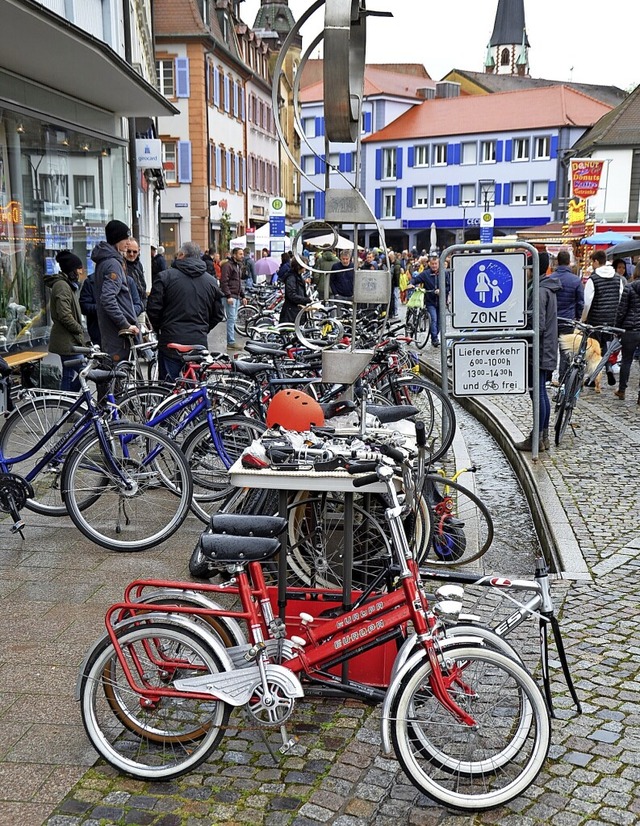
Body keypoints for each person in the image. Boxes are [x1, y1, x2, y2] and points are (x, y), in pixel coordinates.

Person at [147, 241, 225, 380]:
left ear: (182, 255)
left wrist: (162, 328)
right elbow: (218, 314)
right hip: (198, 342)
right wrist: (202, 328)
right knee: (195, 389)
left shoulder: (165, 277)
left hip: (171, 341)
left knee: (169, 391)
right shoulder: (210, 281)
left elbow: (153, 309)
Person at [515, 269, 561, 452]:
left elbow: (538, 325)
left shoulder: (540, 290)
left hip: (540, 349)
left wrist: (522, 329)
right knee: (540, 392)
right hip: (545, 348)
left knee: (538, 393)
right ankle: (543, 437)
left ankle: (536, 439)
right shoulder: (545, 287)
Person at [90, 219, 140, 363]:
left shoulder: (106, 261)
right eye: (125, 238)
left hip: (112, 332)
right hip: (118, 335)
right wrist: (125, 324)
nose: (128, 242)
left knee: (112, 376)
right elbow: (107, 299)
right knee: (117, 377)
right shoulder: (113, 264)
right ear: (117, 239)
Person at [581, 250, 625, 386]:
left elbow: (587, 301)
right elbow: (620, 298)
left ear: (596, 261)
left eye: (592, 262)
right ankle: (608, 367)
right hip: (611, 319)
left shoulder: (593, 279)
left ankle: (594, 377)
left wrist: (584, 318)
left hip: (595, 319)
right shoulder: (618, 278)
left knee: (594, 349)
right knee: (606, 347)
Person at [46, 250, 85, 392]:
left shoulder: (68, 285)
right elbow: (64, 315)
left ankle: (68, 407)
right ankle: (69, 406)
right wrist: (79, 329)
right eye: (78, 269)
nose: (80, 272)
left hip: (69, 340)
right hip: (67, 342)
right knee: (87, 372)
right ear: (71, 270)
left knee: (68, 376)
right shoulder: (62, 286)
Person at [554, 249, 584, 381]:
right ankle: (563, 378)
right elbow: (580, 302)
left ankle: (547, 377)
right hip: (568, 320)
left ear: (557, 262)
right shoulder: (576, 280)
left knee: (549, 349)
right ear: (569, 263)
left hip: (552, 319)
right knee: (565, 350)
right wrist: (577, 317)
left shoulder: (551, 279)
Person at [613, 270, 640, 403]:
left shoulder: (629, 287)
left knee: (626, 360)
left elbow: (621, 309)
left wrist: (617, 327)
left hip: (630, 330)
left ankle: (622, 390)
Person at [410, 254, 445, 347]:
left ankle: (434, 334)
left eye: (436, 264)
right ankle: (434, 339)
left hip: (441, 301)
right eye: (432, 264)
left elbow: (449, 285)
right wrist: (411, 284)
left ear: (439, 264)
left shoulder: (444, 273)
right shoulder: (426, 274)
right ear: (429, 264)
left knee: (440, 322)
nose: (434, 266)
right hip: (430, 301)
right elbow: (416, 279)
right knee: (433, 319)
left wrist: (442, 290)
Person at [219, 247, 247, 350]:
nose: (242, 256)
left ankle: (231, 341)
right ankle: (230, 342)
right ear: (234, 255)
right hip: (231, 296)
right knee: (231, 319)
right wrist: (228, 296)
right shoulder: (228, 266)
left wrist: (243, 296)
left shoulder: (237, 266)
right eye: (240, 254)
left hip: (235, 296)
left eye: (242, 254)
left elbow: (238, 283)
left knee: (233, 319)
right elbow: (224, 282)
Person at [279, 258, 312, 324]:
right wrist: (306, 299)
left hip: (295, 311)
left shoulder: (297, 276)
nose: (305, 267)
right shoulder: (292, 278)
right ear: (299, 266)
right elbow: (291, 295)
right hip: (291, 313)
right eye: (304, 265)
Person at [124, 237, 147, 311]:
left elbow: (142, 285)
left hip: (140, 305)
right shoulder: (121, 265)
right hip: (130, 308)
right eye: (129, 251)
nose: (131, 254)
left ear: (138, 251)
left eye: (134, 252)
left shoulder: (138, 264)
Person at [388, 251, 402, 318]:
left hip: (394, 284)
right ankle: (394, 312)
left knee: (395, 297)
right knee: (395, 297)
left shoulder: (396, 264)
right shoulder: (395, 263)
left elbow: (396, 275)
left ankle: (395, 312)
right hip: (393, 283)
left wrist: (396, 284)